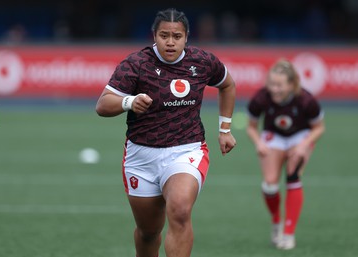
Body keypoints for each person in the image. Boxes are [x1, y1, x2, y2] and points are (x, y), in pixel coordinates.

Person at [96, 8, 236, 257]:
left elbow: (227, 84)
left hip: (187, 150)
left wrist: (225, 129)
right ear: (154, 35)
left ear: (186, 37)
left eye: (177, 36)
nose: (170, 42)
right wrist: (129, 102)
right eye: (164, 35)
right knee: (149, 231)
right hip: (141, 157)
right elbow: (103, 105)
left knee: (180, 211)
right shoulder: (136, 63)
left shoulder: (202, 61)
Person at [246, 59, 325, 250]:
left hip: (300, 136)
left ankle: (288, 234)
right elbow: (251, 127)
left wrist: (304, 145)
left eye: (280, 85)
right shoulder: (261, 98)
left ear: (291, 84)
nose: (275, 89)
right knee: (270, 185)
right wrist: (259, 143)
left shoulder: (306, 100)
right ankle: (276, 222)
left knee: (292, 176)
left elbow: (319, 128)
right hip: (274, 137)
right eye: (271, 84)